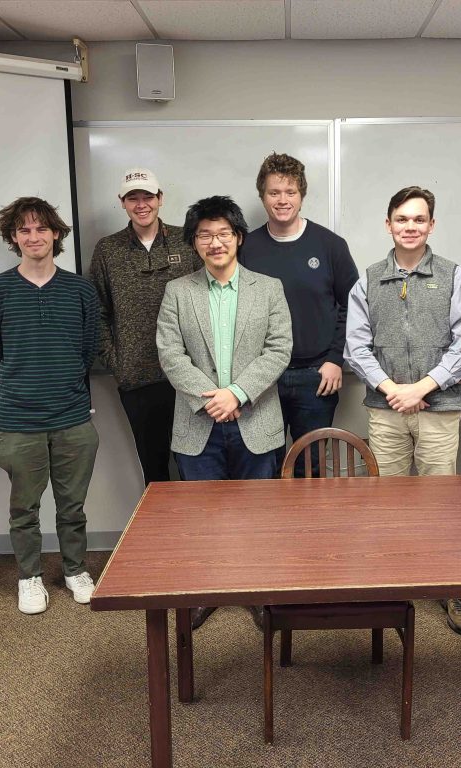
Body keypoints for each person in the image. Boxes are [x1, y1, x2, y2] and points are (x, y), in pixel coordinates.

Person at [344, 186, 461, 635]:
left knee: (439, 502)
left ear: (431, 225)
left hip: (439, 408)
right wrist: (393, 390)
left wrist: (422, 387)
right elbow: (356, 347)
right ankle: (391, 582)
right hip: (386, 410)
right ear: (388, 224)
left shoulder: (455, 276)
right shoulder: (368, 280)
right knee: (387, 500)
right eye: (401, 219)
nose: (410, 227)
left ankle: (450, 585)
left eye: (419, 219)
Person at [156, 195, 292, 630]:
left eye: (223, 233)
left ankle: (256, 590)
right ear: (194, 243)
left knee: (258, 515)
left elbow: (279, 349)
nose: (215, 243)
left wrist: (236, 394)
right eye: (205, 235)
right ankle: (206, 591)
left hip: (256, 418)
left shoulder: (268, 288)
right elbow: (170, 353)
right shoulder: (178, 291)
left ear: (238, 237)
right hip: (198, 422)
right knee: (202, 517)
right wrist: (211, 399)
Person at [0, 197, 100, 615]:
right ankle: (29, 577)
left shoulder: (80, 290)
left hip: (73, 420)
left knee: (72, 506)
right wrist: (21, 390)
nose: (33, 236)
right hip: (19, 421)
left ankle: (75, 569)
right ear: (13, 237)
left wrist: (63, 388)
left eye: (41, 228)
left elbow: (88, 350)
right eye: (24, 230)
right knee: (24, 509)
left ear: (56, 233)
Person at [241, 152, 359, 476]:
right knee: (265, 465)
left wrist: (335, 359)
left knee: (312, 467)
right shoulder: (246, 249)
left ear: (301, 195)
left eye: (290, 192)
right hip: (263, 378)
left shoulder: (330, 246)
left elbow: (353, 306)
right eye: (274, 192)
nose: (282, 200)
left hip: (317, 377)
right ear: (262, 196)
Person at [87, 168, 199, 487]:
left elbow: (210, 296)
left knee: (197, 467)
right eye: (132, 198)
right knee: (155, 470)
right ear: (122, 202)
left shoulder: (187, 240)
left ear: (160, 198)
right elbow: (96, 310)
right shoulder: (108, 250)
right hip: (138, 378)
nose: (141, 204)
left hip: (191, 375)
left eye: (147, 196)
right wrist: (116, 361)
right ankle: (161, 523)